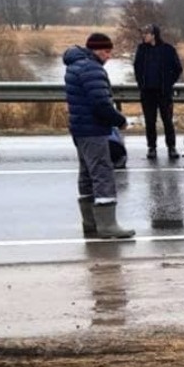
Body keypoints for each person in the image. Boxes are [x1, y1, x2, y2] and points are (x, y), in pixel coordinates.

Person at [63, 33, 135, 239]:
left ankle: (90, 222)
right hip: (94, 129)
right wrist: (119, 120)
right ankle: (108, 225)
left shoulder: (74, 65)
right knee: (102, 173)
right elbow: (101, 103)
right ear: (95, 50)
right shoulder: (92, 69)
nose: (109, 56)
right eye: (106, 51)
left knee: (86, 173)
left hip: (79, 128)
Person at [133, 24, 183, 160]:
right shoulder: (141, 49)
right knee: (150, 121)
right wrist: (141, 84)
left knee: (167, 120)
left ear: (154, 35)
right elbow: (137, 67)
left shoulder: (168, 49)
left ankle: (171, 147)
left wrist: (168, 82)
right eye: (143, 33)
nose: (144, 36)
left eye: (146, 34)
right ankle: (152, 148)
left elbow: (178, 68)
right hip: (147, 93)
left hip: (164, 93)